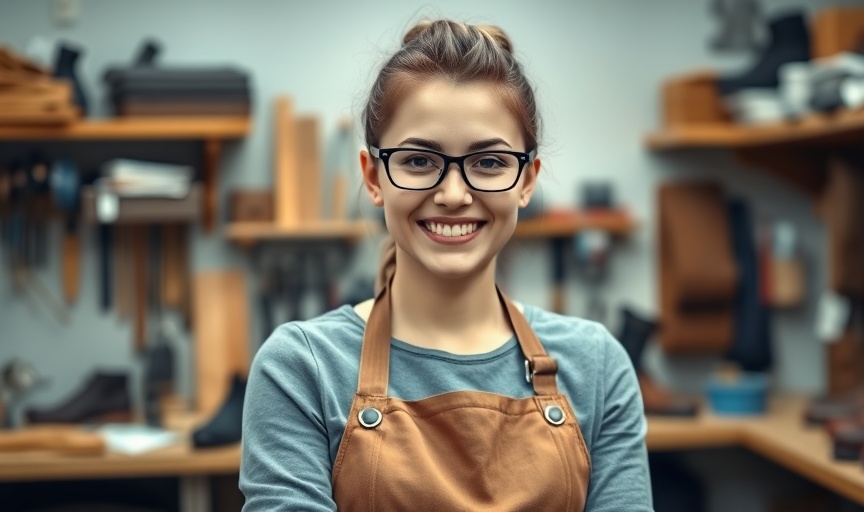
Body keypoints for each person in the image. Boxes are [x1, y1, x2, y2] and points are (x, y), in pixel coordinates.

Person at [239, 18, 652, 511]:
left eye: (490, 163)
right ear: (374, 177)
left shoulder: (596, 366)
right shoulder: (302, 369)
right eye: (418, 161)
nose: (454, 195)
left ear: (527, 180)